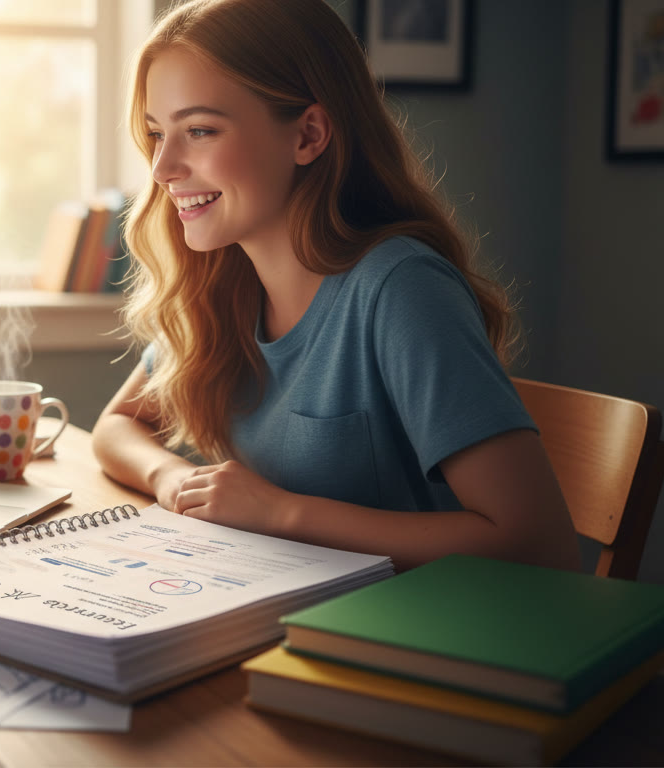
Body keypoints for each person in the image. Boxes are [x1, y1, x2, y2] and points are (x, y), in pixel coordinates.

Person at [92, 0, 580, 572]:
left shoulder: (402, 291)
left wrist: (281, 513)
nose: (162, 167)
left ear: (308, 135)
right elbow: (116, 425)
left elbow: (538, 543)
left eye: (199, 130)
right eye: (156, 133)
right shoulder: (223, 285)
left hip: (413, 638)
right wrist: (172, 478)